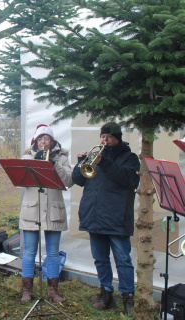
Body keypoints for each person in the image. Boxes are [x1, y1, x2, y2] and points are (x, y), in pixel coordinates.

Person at [72, 122, 140, 315]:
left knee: (123, 260)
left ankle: (128, 297)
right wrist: (80, 164)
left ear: (117, 138)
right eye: (102, 137)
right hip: (94, 217)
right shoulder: (94, 158)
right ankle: (106, 293)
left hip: (116, 218)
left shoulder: (129, 158)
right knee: (100, 259)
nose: (104, 140)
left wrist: (105, 162)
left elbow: (128, 180)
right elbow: (78, 180)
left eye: (108, 137)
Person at [19, 124, 73, 303]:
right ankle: (27, 290)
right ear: (35, 141)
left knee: (53, 252)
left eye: (47, 139)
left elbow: (69, 181)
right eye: (40, 138)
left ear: (52, 141)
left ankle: (52, 290)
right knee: (29, 252)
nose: (43, 142)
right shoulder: (27, 157)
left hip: (53, 210)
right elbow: (20, 182)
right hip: (32, 209)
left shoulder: (62, 158)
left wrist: (54, 164)